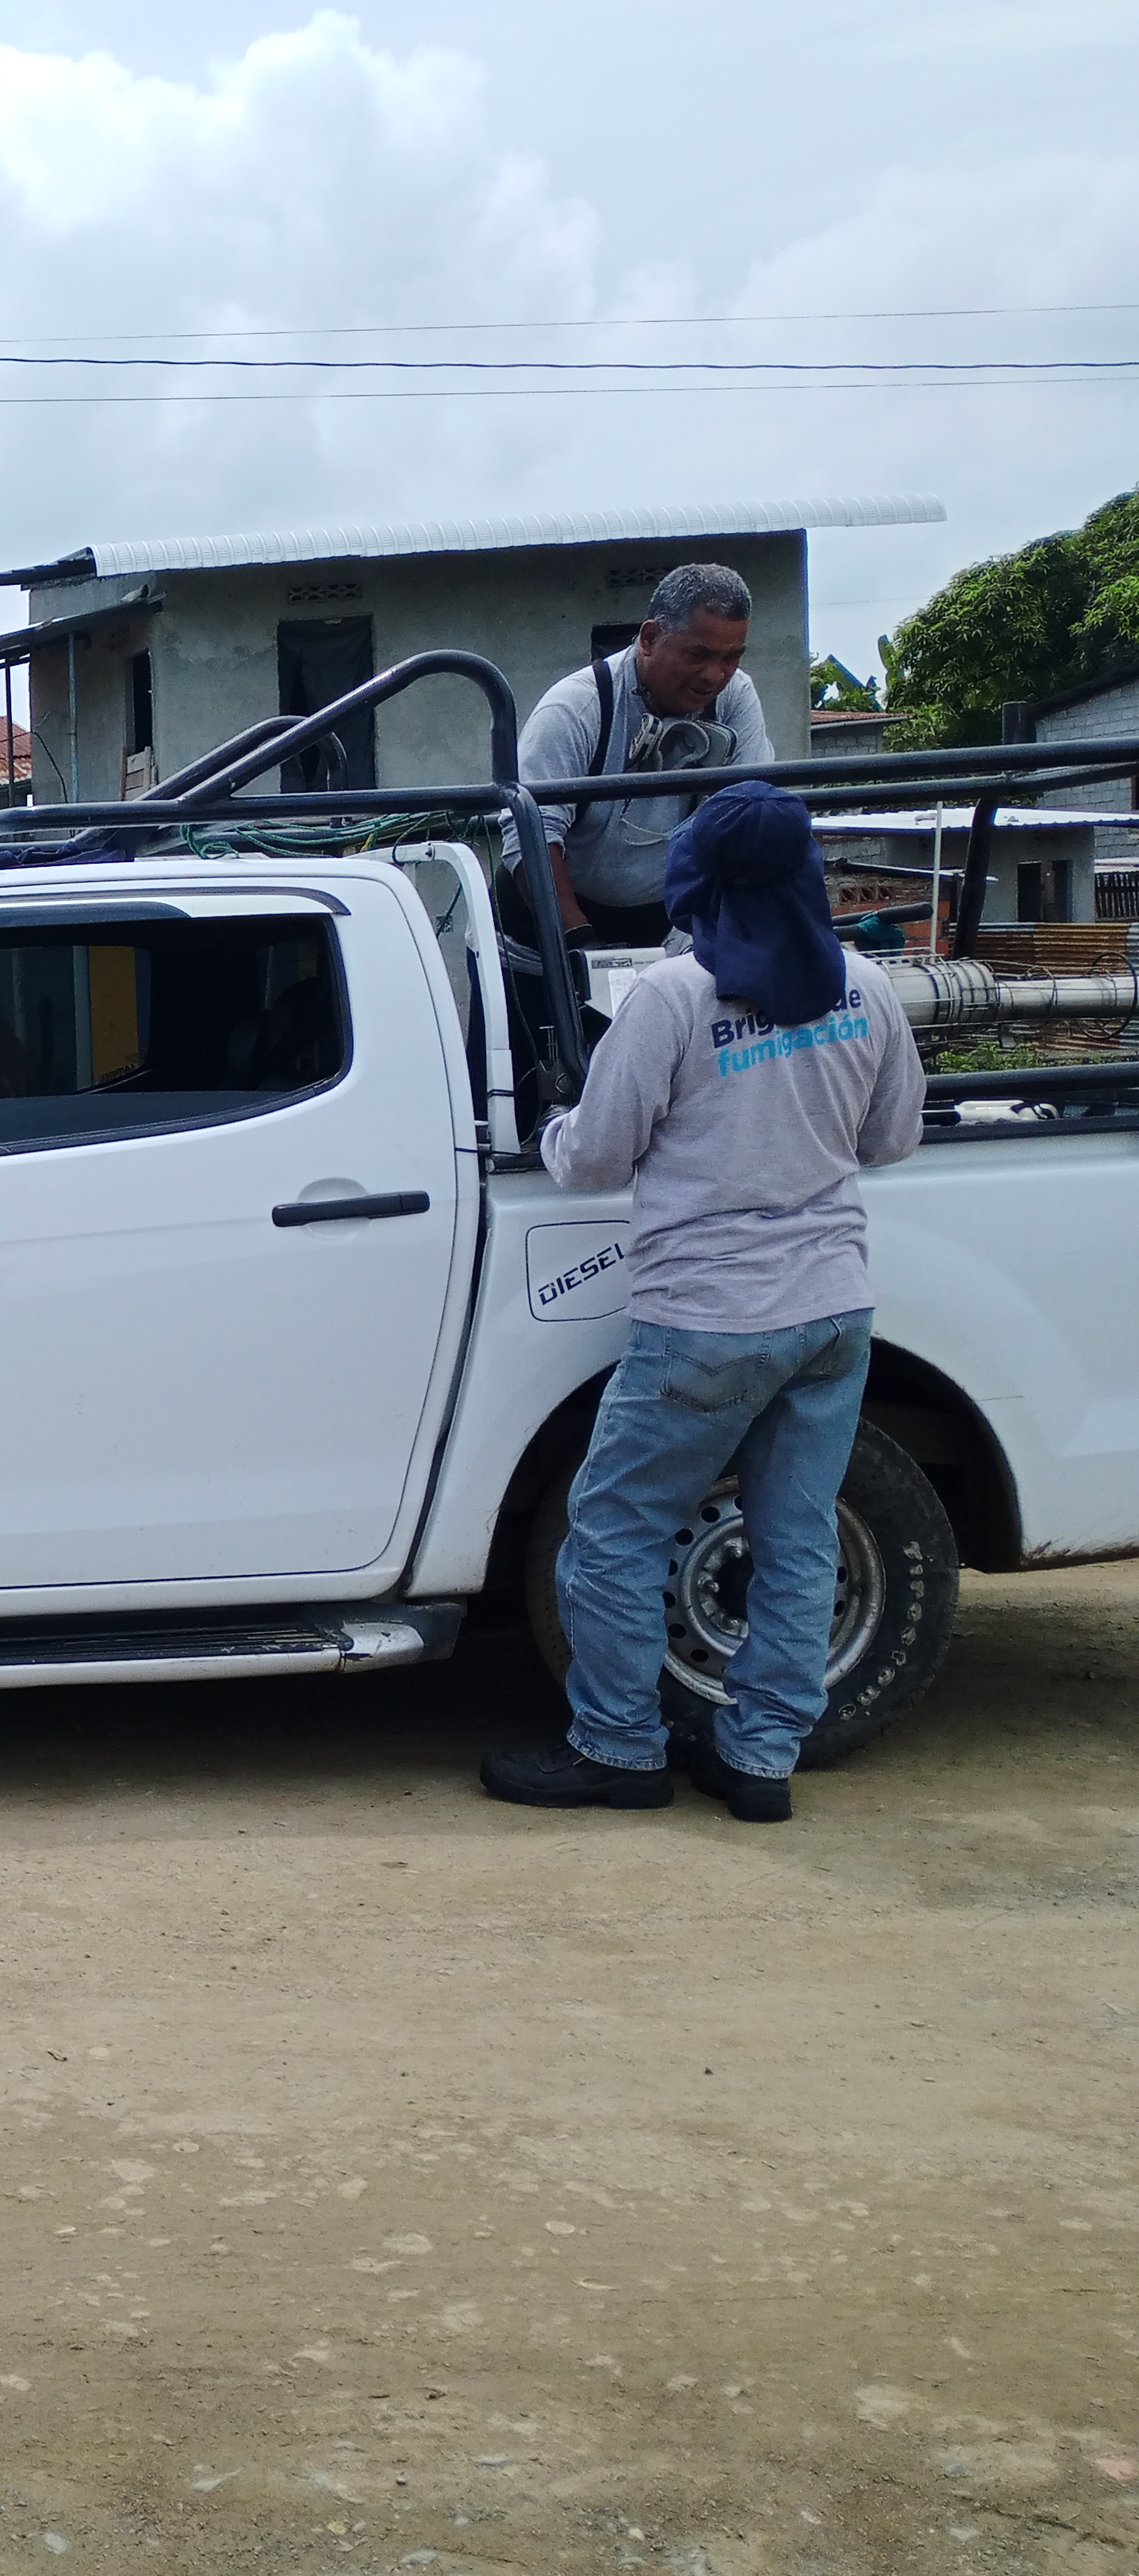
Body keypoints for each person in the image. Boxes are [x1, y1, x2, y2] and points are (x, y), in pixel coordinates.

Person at [482, 779, 925, 1824]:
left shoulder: (674, 998)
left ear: (698, 879)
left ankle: (618, 1748)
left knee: (614, 1529)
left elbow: (597, 1158)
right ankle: (762, 1762)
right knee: (797, 1537)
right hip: (832, 1310)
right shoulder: (867, 988)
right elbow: (892, 1138)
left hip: (707, 1323)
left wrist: (551, 1129)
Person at [519, 563, 774, 946]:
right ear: (650, 638)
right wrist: (580, 945)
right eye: (697, 654)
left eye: (731, 658)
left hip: (663, 932)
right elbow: (532, 837)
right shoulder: (576, 707)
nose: (714, 675)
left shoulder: (735, 696)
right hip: (539, 940)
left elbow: (750, 818)